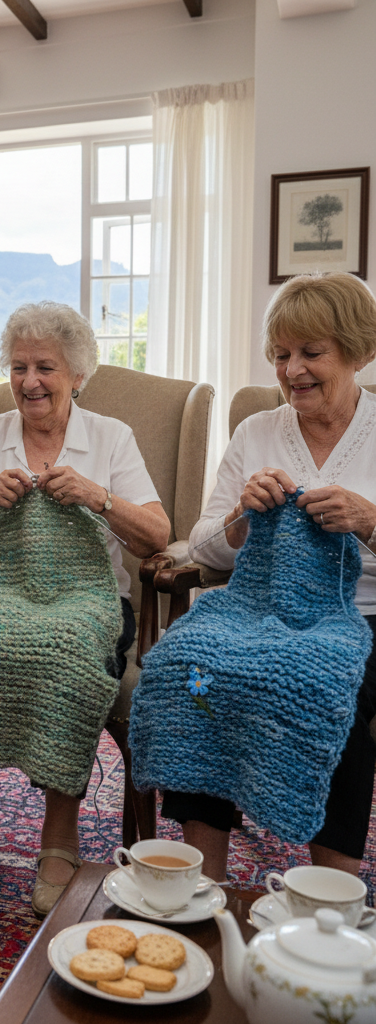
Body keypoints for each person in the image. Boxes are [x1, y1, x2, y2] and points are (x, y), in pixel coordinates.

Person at [0, 301, 170, 916]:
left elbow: (158, 535)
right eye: (19, 366)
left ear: (78, 374)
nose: (30, 381)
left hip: (83, 597)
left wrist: (98, 496)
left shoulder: (111, 438)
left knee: (69, 656)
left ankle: (59, 837)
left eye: (46, 368)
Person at [170, 271, 376, 882]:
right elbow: (204, 546)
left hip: (360, 618)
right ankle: (201, 881)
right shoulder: (257, 431)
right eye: (281, 355)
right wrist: (241, 517)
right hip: (258, 610)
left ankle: (329, 893)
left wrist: (370, 522)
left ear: (359, 351)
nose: (292, 371)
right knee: (193, 668)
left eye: (312, 353)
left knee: (325, 683)